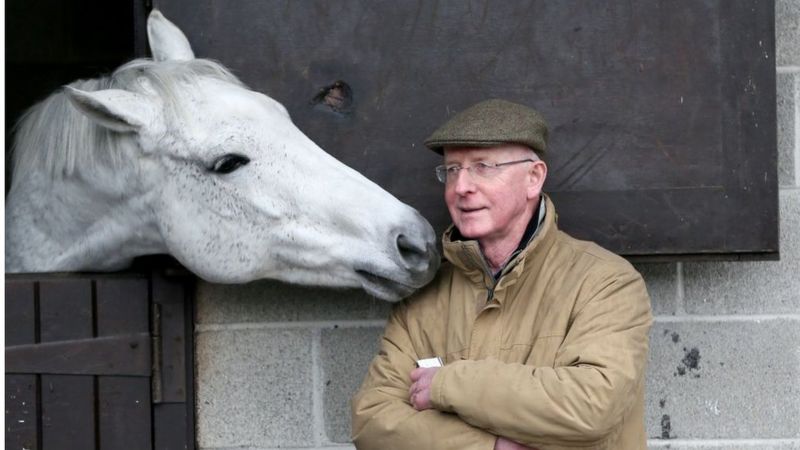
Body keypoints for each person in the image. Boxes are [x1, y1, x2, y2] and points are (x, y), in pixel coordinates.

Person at [351, 98, 653, 450]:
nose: (461, 186)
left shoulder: (605, 283)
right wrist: (489, 446)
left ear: (533, 178)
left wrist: (446, 385)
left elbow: (593, 406)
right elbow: (372, 421)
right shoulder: (424, 298)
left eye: (482, 167)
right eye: (452, 169)